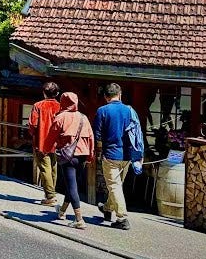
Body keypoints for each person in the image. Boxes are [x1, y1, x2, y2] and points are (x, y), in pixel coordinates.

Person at [95, 82, 143, 230]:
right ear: (120, 94)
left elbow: (97, 136)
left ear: (105, 96)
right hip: (127, 155)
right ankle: (108, 209)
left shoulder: (102, 111)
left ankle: (122, 218)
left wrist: (98, 153)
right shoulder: (129, 111)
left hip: (110, 154)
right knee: (116, 186)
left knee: (114, 186)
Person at [48, 92, 94, 229]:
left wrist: (47, 149)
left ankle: (79, 219)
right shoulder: (83, 118)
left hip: (68, 156)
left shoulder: (60, 117)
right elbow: (91, 138)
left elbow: (51, 137)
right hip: (83, 155)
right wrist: (90, 156)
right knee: (72, 184)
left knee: (72, 186)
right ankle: (62, 211)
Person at [26, 82, 62, 206]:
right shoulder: (60, 107)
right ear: (57, 93)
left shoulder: (38, 106)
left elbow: (33, 125)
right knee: (53, 168)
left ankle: (50, 196)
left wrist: (32, 134)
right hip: (56, 143)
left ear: (43, 92)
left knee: (44, 168)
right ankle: (52, 192)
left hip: (41, 141)